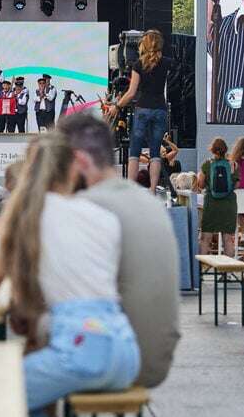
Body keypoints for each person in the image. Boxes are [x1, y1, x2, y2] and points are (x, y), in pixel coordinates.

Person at [0, 132, 138, 417]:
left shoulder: (24, 216)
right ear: (74, 171)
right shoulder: (103, 216)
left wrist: (5, 238)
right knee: (29, 397)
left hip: (80, 348)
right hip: (123, 347)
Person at [58, 111, 180, 389]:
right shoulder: (151, 204)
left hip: (122, 360)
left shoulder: (86, 206)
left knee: (16, 360)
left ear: (79, 160)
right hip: (158, 360)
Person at [108, 29, 173, 190]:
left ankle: (130, 190)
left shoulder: (138, 64)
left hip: (143, 109)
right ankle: (152, 190)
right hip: (160, 109)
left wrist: (117, 106)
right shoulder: (166, 62)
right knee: (155, 153)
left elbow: (131, 93)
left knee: (135, 151)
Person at [196, 137, 238, 256]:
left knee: (205, 239)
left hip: (211, 204)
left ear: (212, 150)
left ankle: (202, 271)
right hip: (229, 205)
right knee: (228, 240)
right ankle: (227, 273)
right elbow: (237, 184)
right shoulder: (233, 164)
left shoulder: (207, 164)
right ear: (225, 150)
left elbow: (201, 184)